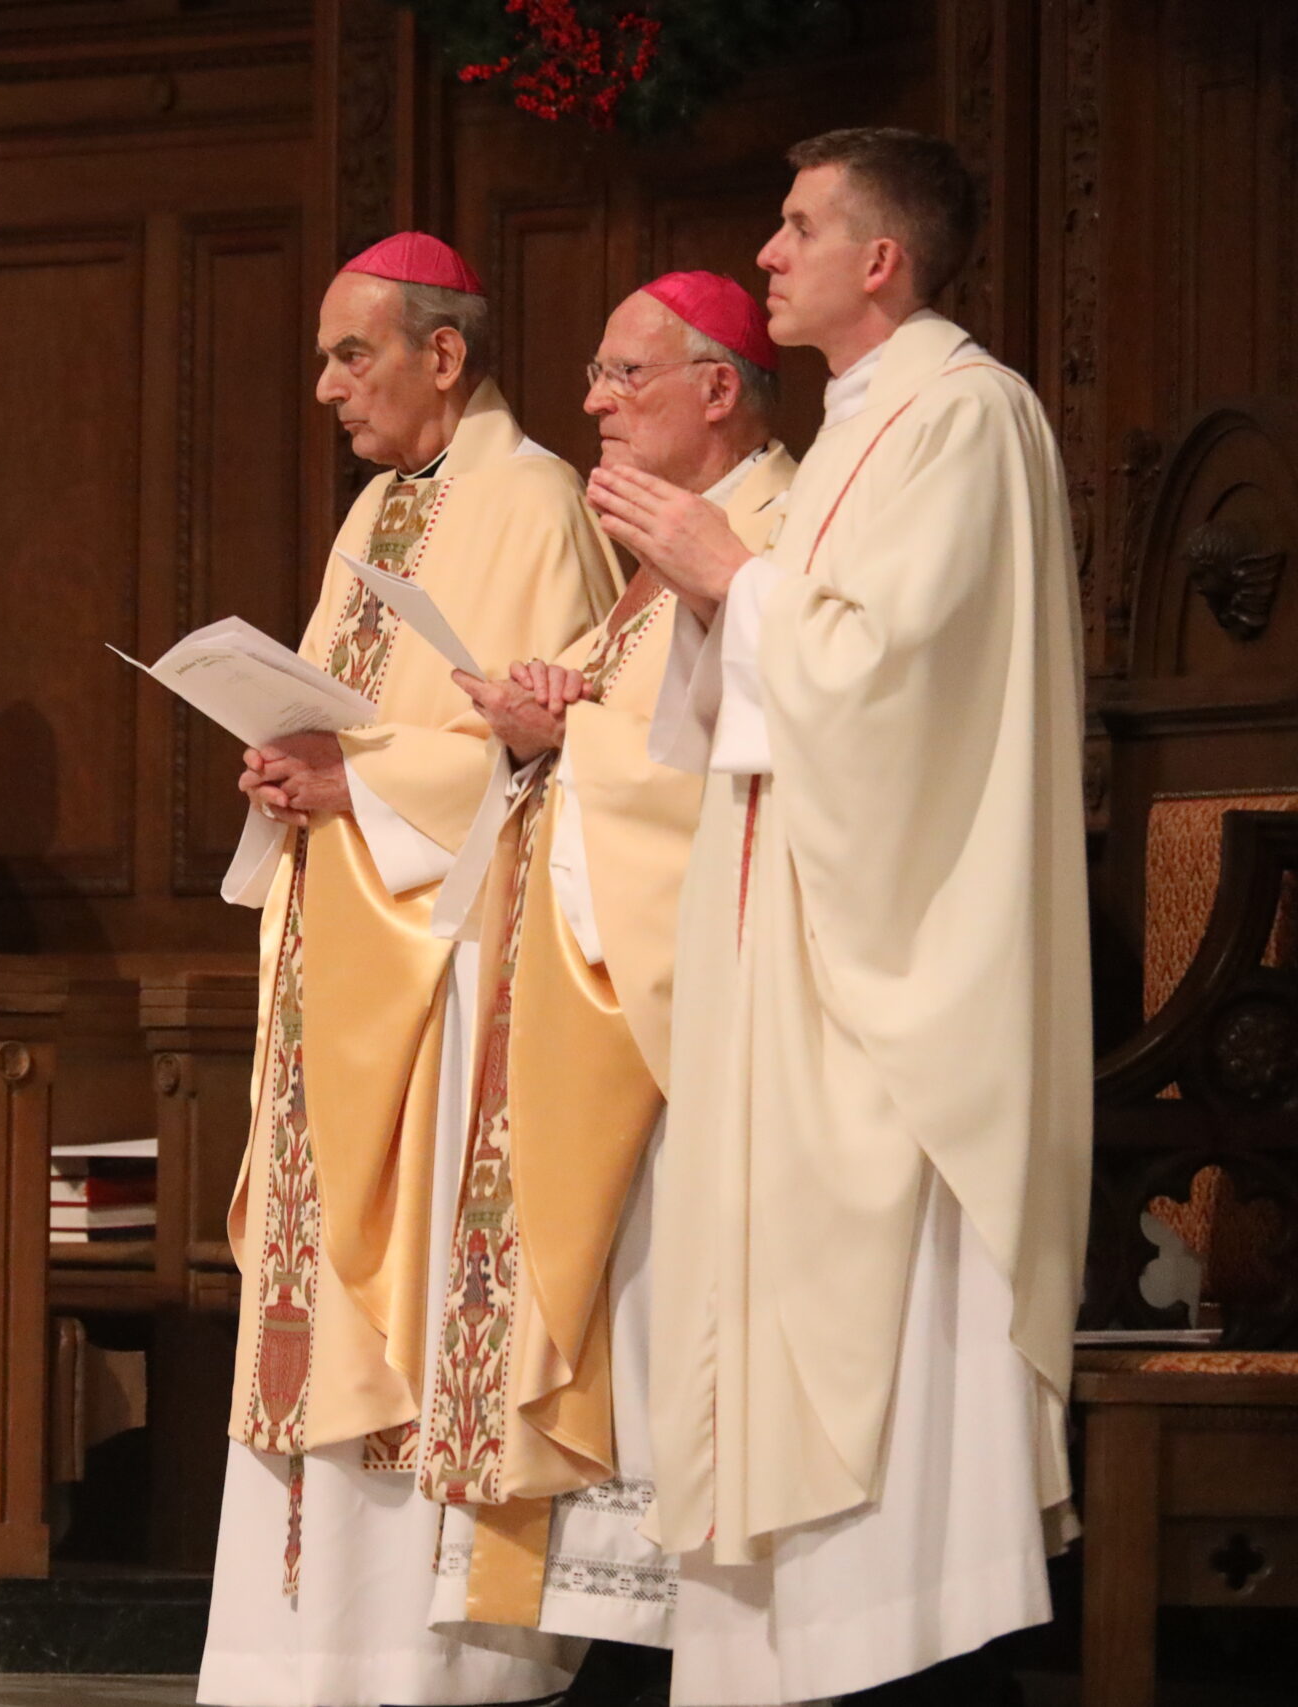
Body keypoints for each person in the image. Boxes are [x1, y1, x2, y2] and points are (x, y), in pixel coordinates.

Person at [589, 129, 1090, 1705]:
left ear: (881, 259)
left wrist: (727, 573)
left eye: (799, 226)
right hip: (786, 948)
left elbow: (895, 680)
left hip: (895, 966)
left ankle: (899, 1650)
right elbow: (790, 664)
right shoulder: (861, 427)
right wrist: (711, 586)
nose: (768, 252)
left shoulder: (968, 416)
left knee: (889, 1325)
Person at [197, 232, 620, 1707]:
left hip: (451, 998)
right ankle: (293, 1661)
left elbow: (559, 762)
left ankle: (424, 1669)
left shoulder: (539, 501)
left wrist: (359, 784)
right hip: (340, 963)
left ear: (444, 354)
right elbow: (354, 718)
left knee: (425, 1320)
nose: (326, 387)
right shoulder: (380, 508)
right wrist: (290, 767)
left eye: (350, 354)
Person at [420, 275, 794, 1689]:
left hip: (690, 1025)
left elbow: (726, 778)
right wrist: (541, 719)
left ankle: (669, 1640)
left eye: (624, 375)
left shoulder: (770, 533)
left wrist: (567, 741)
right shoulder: (656, 548)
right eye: (592, 374)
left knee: (658, 1341)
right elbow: (624, 723)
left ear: (719, 389)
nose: (592, 402)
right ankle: (615, 1641)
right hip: (598, 1004)